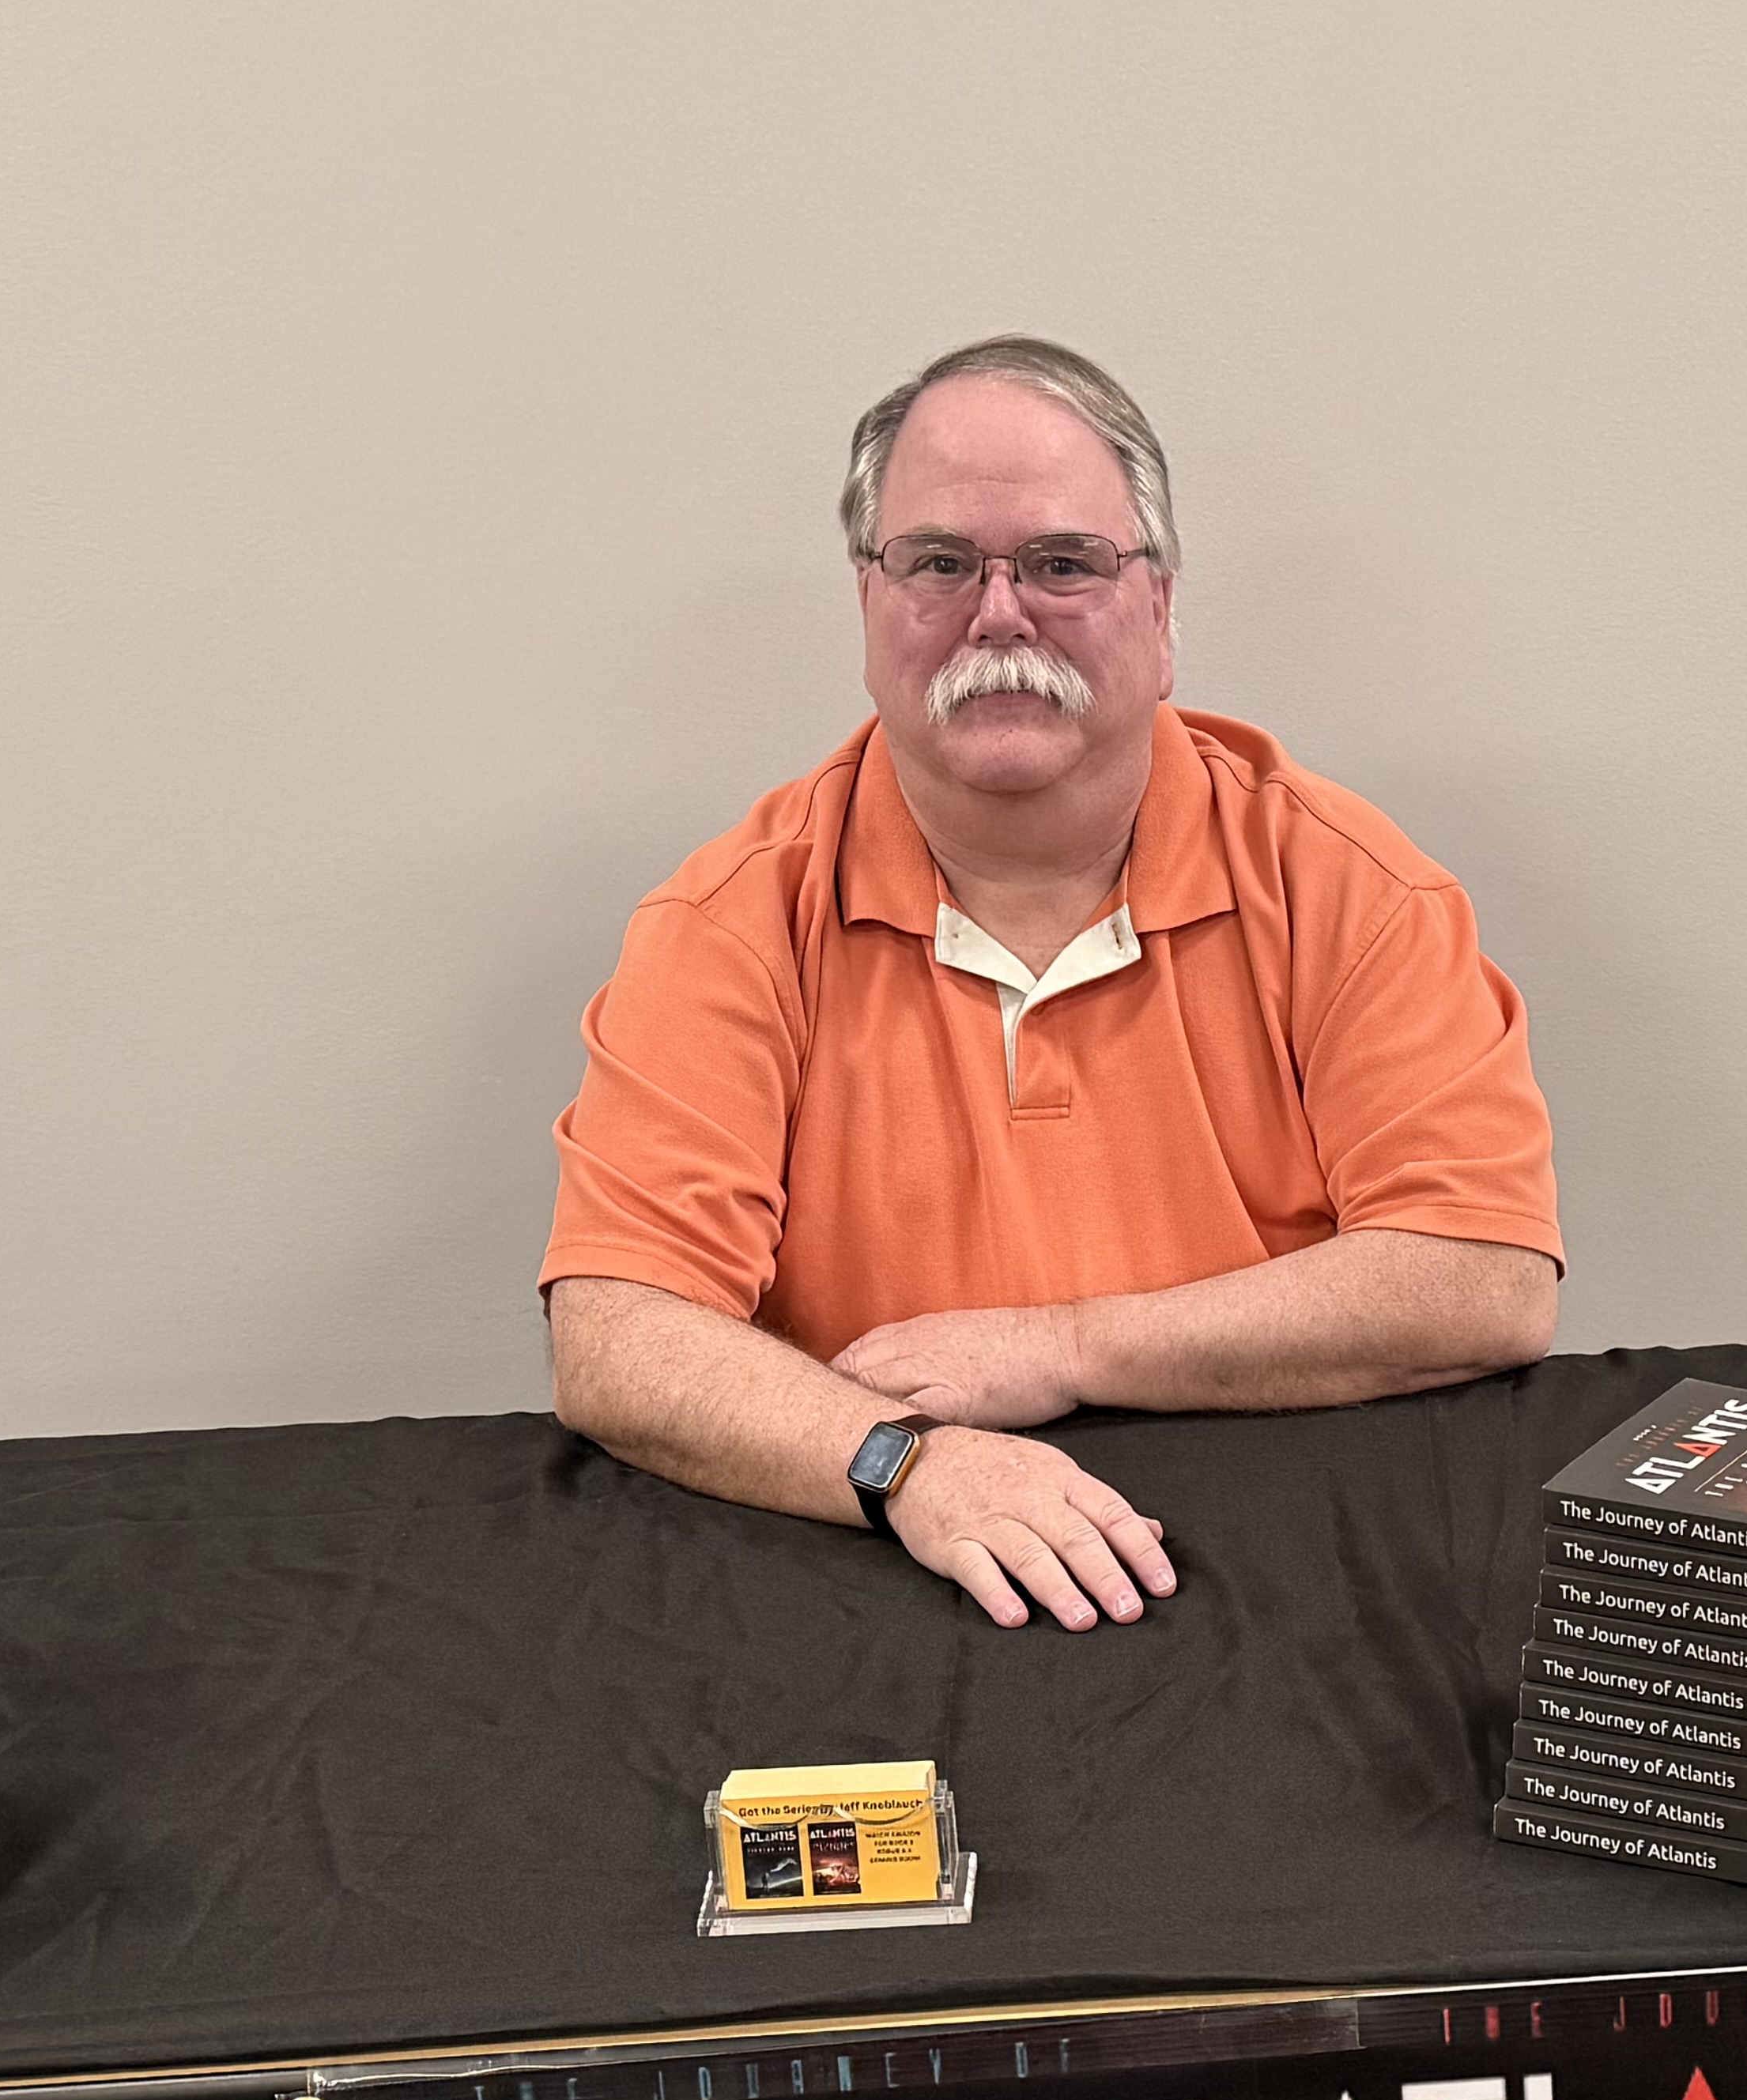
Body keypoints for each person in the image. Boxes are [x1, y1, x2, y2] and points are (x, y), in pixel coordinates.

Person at [540, 337, 1565, 1631]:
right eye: (939, 563)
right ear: (870, 604)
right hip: (893, 1570)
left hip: (1314, 1576)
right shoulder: (729, 923)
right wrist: (903, 1460)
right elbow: (618, 1332)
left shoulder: (1344, 882)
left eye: (1062, 563)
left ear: (1163, 608)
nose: (1000, 613)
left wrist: (1057, 1346)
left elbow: (1484, 1277)